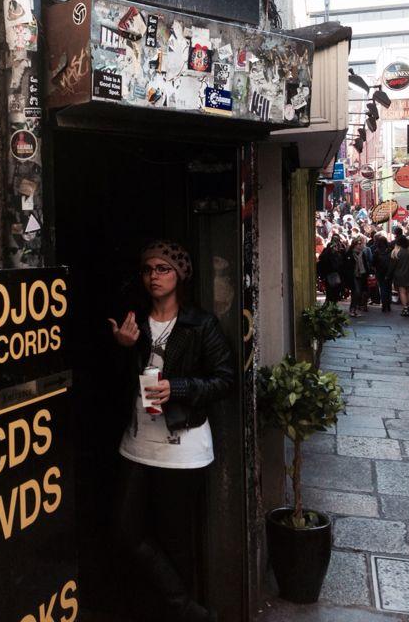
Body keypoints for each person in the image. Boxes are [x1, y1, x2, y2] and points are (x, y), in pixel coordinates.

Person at [109, 241, 232, 622]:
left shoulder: (200, 324)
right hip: (137, 443)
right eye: (148, 269)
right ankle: (188, 611)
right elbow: (115, 386)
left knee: (176, 541)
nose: (154, 276)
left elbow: (225, 380)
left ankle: (176, 613)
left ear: (180, 274)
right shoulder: (135, 323)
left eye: (163, 269)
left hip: (183, 448)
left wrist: (176, 388)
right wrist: (123, 348)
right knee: (126, 531)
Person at [388, 235, 409, 317]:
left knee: (402, 292)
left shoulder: (395, 252)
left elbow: (392, 266)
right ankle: (407, 305)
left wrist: (388, 275)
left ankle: (405, 308)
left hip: (399, 275)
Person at [344, 237, 370, 317]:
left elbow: (365, 264)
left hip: (361, 275)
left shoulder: (362, 253)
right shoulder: (350, 254)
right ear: (355, 245)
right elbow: (346, 266)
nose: (361, 245)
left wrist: (367, 273)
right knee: (356, 292)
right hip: (353, 276)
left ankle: (354, 309)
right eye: (359, 244)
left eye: (361, 244)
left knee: (358, 293)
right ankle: (352, 309)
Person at [318, 235, 344, 304]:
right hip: (329, 273)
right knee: (330, 291)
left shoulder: (341, 249)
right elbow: (322, 258)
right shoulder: (328, 249)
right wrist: (330, 251)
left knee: (336, 291)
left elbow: (342, 261)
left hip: (337, 274)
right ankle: (329, 305)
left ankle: (333, 305)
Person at [372, 234, 392, 312]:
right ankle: (388, 304)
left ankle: (384, 305)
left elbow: (373, 263)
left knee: (382, 288)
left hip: (380, 272)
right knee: (388, 288)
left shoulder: (376, 251)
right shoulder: (390, 250)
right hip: (389, 272)